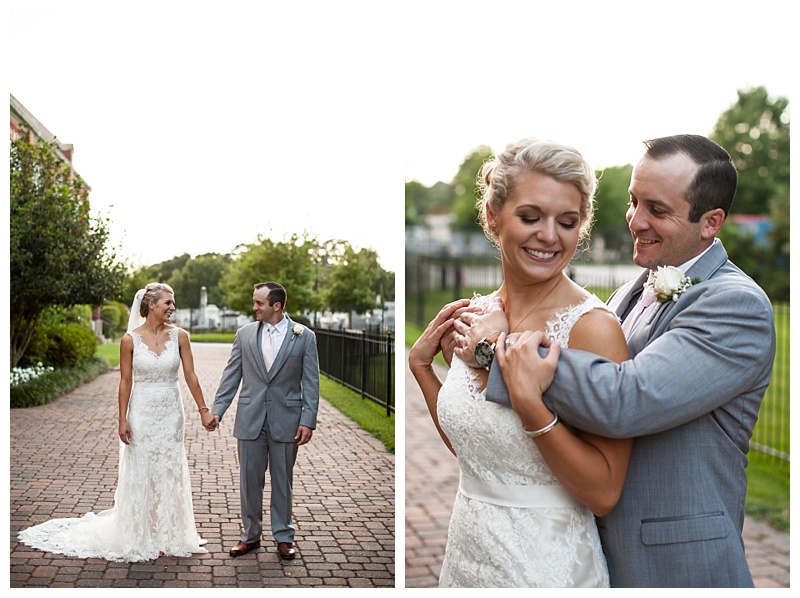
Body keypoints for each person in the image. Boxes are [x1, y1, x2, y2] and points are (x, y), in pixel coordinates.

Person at [457, 134, 777, 587]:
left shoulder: (736, 305)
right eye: (633, 201)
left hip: (677, 570)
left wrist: (500, 351)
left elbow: (628, 398)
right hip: (591, 556)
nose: (635, 220)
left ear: (711, 222)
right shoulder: (628, 292)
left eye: (657, 210)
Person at [408, 138, 632, 587]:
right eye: (531, 217)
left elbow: (604, 492)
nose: (549, 236)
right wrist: (422, 370)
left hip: (546, 566)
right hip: (468, 553)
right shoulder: (475, 316)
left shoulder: (592, 329)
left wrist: (527, 397)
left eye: (567, 222)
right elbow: (478, 450)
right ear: (493, 215)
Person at [18, 283, 214, 562]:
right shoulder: (129, 339)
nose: (172, 307)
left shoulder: (180, 336)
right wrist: (122, 418)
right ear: (150, 305)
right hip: (142, 410)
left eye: (173, 303)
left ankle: (170, 533)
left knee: (170, 467)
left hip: (171, 411)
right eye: (167, 303)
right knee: (142, 468)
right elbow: (125, 382)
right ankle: (140, 533)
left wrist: (203, 410)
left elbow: (191, 376)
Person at [209, 281, 320, 559]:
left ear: (277, 305)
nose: (254, 307)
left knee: (283, 481)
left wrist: (308, 420)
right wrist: (218, 410)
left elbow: (311, 381)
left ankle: (284, 537)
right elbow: (231, 375)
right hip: (250, 418)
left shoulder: (304, 336)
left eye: (259, 303)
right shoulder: (244, 334)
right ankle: (250, 536)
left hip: (287, 420)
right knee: (249, 481)